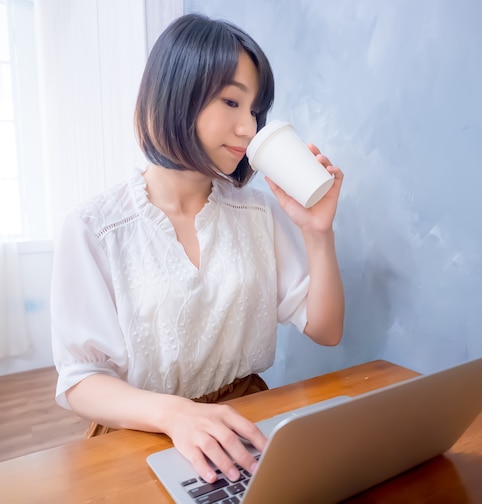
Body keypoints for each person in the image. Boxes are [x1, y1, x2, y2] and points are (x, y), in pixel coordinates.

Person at [50, 13, 344, 485]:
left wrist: (318, 232)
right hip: (143, 435)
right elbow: (81, 379)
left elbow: (326, 330)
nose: (249, 128)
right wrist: (177, 416)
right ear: (175, 91)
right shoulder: (96, 228)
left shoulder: (257, 213)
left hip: (247, 421)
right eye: (232, 101)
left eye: (255, 111)